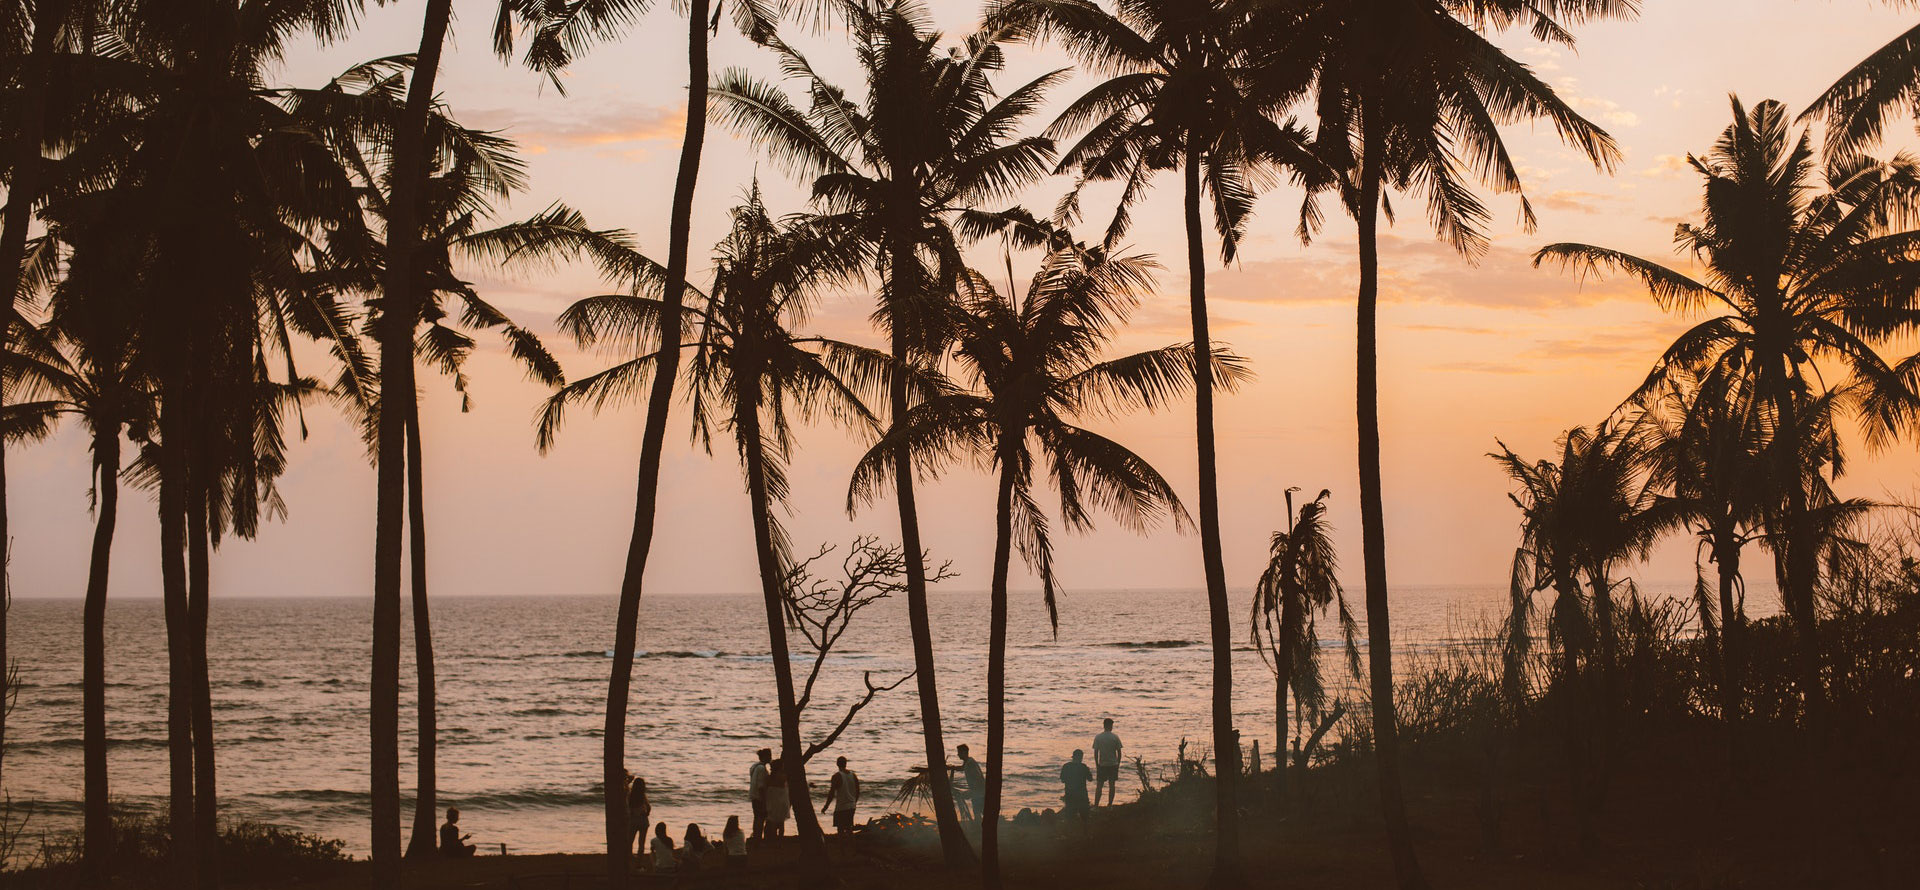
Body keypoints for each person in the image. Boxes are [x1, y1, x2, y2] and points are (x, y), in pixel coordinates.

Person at [822, 755, 861, 840]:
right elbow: (858, 790)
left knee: (840, 830)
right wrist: (854, 802)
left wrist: (826, 806)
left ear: (837, 764)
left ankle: (842, 851)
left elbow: (831, 793)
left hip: (841, 807)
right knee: (849, 828)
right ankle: (852, 847)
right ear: (846, 764)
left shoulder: (837, 776)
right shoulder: (853, 775)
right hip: (851, 806)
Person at [1092, 717, 1124, 806]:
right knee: (1112, 786)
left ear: (1104, 725)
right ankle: (1109, 805)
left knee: (1099, 786)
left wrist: (1097, 764)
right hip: (1113, 764)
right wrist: (1118, 763)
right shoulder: (1115, 737)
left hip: (1102, 764)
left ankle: (1096, 805)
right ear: (1111, 726)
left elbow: (1096, 752)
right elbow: (1119, 752)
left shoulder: (1098, 737)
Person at [1060, 749, 1093, 834]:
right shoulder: (1083, 767)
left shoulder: (1066, 766)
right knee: (1085, 816)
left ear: (1073, 757)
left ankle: (1069, 833)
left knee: (1070, 816)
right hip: (1082, 794)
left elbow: (1062, 780)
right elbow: (1090, 779)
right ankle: (1085, 833)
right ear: (1081, 757)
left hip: (1070, 793)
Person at [955, 744, 985, 822]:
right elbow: (962, 768)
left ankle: (978, 828)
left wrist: (972, 791)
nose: (957, 754)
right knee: (979, 810)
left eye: (959, 752)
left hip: (978, 791)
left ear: (964, 752)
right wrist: (952, 767)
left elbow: (978, 777)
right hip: (977, 790)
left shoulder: (970, 763)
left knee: (978, 811)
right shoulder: (968, 761)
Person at [748, 748, 772, 840]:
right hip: (759, 797)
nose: (770, 758)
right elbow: (761, 786)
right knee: (760, 819)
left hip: (754, 796)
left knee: (757, 818)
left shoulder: (754, 766)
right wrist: (764, 800)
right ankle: (758, 837)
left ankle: (756, 837)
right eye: (769, 756)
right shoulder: (762, 769)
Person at [626, 772, 651, 857]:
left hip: (633, 820)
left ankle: (629, 855)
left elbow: (628, 808)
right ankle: (640, 857)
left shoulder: (630, 795)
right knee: (641, 842)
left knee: (630, 840)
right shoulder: (642, 795)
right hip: (643, 820)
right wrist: (646, 814)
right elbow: (649, 807)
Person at [765, 760, 791, 838]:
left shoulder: (770, 777)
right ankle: (780, 837)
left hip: (772, 801)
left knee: (772, 820)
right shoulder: (783, 776)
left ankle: (773, 837)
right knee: (781, 822)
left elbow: (767, 789)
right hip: (782, 800)